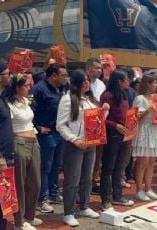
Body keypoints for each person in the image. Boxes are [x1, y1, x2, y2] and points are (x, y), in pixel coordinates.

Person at [56, 70, 108, 226]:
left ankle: (84, 205)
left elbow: (97, 122)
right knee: (72, 179)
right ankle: (68, 212)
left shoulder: (91, 99)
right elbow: (60, 125)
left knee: (87, 177)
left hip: (90, 143)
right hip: (75, 145)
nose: (87, 83)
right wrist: (74, 139)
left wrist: (104, 111)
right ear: (77, 83)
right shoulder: (68, 99)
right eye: (84, 81)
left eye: (88, 81)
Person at [7, 73, 42, 230]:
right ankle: (19, 221)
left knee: (35, 182)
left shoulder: (26, 101)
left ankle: (29, 215)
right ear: (17, 87)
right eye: (26, 85)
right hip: (19, 142)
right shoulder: (10, 104)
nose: (29, 88)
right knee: (20, 183)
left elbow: (30, 121)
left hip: (33, 140)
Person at [31, 64, 68, 213]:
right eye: (63, 75)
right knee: (44, 168)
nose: (66, 78)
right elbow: (30, 110)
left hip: (59, 132)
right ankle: (42, 199)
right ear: (53, 76)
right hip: (46, 133)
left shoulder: (62, 89)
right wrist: (39, 128)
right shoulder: (39, 89)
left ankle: (54, 193)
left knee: (56, 166)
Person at [100, 69, 135, 210]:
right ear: (119, 81)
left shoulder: (124, 94)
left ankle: (117, 195)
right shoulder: (107, 96)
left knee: (119, 167)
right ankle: (106, 198)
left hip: (124, 135)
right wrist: (116, 125)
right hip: (112, 135)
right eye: (126, 79)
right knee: (108, 167)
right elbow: (101, 118)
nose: (128, 82)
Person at [132, 75, 157, 201]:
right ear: (148, 84)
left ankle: (148, 188)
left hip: (155, 129)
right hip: (145, 130)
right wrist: (148, 110)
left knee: (151, 162)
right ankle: (139, 189)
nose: (156, 85)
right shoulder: (140, 98)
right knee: (142, 162)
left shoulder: (156, 98)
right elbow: (136, 118)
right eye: (154, 83)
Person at [0, 61, 14, 230]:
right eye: (8, 74)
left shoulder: (3, 97)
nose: (11, 76)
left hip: (7, 155)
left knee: (4, 199)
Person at [86, 58, 106, 194]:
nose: (99, 70)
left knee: (98, 155)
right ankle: (84, 183)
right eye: (96, 67)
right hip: (84, 123)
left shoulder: (101, 85)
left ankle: (94, 180)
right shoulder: (82, 82)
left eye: (100, 68)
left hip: (99, 123)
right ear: (88, 69)